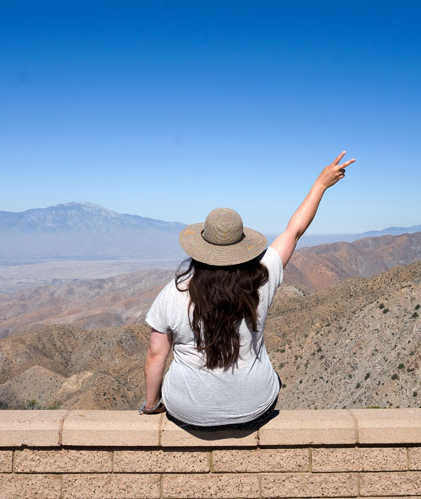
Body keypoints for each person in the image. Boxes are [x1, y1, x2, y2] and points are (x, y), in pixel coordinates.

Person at [140, 151, 355, 427]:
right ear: (242, 246)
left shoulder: (174, 292)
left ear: (200, 248)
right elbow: (294, 232)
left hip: (188, 412)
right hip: (254, 406)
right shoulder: (260, 278)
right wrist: (321, 185)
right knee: (272, 379)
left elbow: (156, 354)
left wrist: (150, 406)